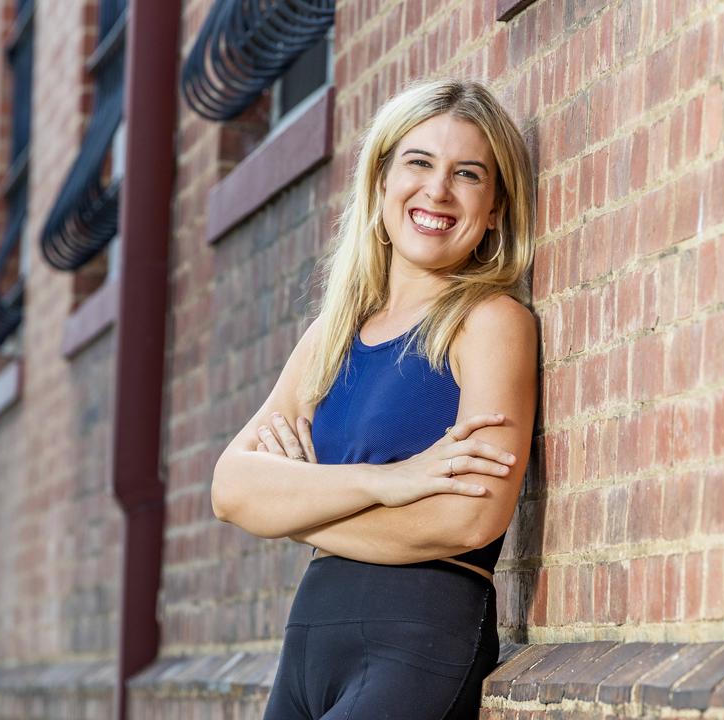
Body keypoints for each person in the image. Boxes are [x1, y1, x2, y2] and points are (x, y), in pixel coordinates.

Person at [211, 78, 538, 720]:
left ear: (496, 207)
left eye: (468, 174)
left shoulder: (490, 321)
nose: (437, 191)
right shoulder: (331, 336)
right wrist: (386, 483)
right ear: (381, 180)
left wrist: (294, 508)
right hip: (307, 644)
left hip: (418, 641)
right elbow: (230, 490)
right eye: (419, 162)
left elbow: (469, 520)